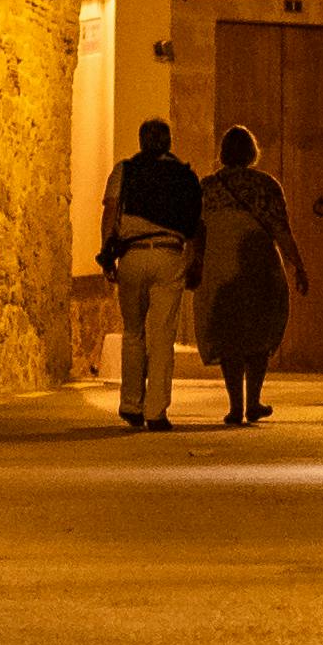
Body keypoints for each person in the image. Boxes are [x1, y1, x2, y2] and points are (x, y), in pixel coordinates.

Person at [193, 121, 307, 426]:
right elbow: (281, 231)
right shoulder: (266, 186)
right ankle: (254, 400)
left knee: (228, 334)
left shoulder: (208, 188)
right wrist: (298, 265)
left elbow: (197, 234)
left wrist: (195, 266)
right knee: (258, 334)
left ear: (223, 153)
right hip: (258, 266)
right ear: (252, 153)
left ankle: (235, 405)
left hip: (220, 269)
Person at [98, 118, 205, 427]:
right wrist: (195, 261)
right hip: (169, 255)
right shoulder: (185, 176)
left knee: (133, 331)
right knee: (161, 337)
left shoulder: (125, 170)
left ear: (141, 140)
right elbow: (196, 223)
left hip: (132, 254)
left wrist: (107, 256)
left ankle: (131, 403)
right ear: (169, 142)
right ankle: (156, 411)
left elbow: (110, 213)